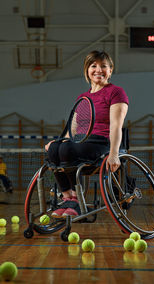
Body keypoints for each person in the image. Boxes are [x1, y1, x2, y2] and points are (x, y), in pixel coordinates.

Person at [45, 50, 129, 218]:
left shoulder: (116, 92)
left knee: (66, 150)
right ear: (87, 71)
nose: (99, 70)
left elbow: (116, 126)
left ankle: (76, 199)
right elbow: (73, 130)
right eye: (94, 66)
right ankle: (68, 198)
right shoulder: (83, 97)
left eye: (103, 66)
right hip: (81, 141)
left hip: (102, 142)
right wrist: (58, 143)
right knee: (54, 149)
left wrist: (113, 154)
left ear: (110, 70)